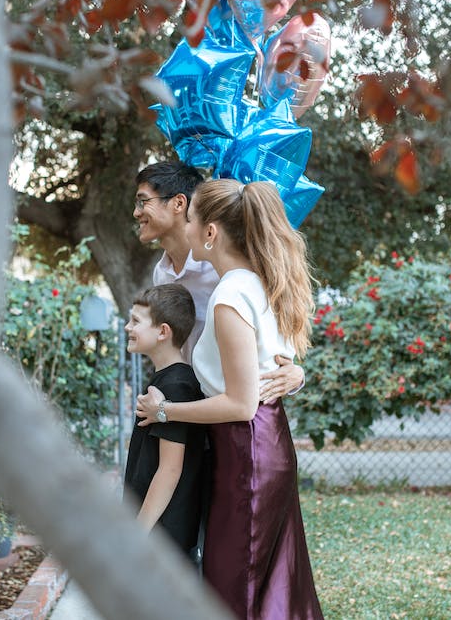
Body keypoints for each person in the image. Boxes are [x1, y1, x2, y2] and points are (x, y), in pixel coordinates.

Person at [136, 179, 325, 619]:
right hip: (262, 444)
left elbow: (241, 404)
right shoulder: (257, 283)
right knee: (266, 584)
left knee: (235, 586)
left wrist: (164, 411)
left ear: (211, 232)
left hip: (247, 450)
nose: (187, 225)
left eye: (193, 218)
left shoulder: (230, 296)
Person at [134, 161, 304, 403]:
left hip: (228, 406)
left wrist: (296, 373)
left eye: (143, 201)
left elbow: (273, 331)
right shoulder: (161, 275)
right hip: (189, 403)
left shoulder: (226, 272)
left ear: (179, 203)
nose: (136, 212)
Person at [122, 284, 207, 562]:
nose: (127, 327)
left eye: (135, 321)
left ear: (163, 332)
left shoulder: (177, 386)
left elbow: (170, 470)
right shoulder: (166, 380)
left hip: (163, 540)